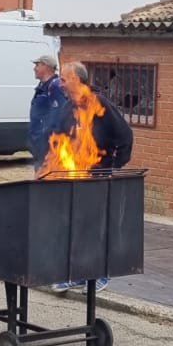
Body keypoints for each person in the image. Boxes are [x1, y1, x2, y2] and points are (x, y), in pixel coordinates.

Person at [50, 61, 134, 295]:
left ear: (77, 80)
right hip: (73, 178)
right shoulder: (68, 108)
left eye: (64, 79)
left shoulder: (100, 105)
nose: (60, 83)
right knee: (75, 227)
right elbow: (59, 140)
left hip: (98, 178)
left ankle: (100, 273)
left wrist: (113, 167)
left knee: (96, 227)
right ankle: (76, 274)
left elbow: (125, 136)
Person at [27, 53, 66, 174]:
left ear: (46, 66)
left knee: (47, 177)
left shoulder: (55, 87)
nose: (35, 68)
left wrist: (49, 139)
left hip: (48, 144)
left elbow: (59, 114)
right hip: (39, 142)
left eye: (37, 65)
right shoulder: (42, 87)